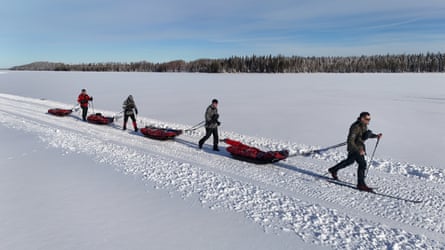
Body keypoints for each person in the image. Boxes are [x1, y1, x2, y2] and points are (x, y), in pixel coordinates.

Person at [328, 112, 382, 192]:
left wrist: (376, 136)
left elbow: (364, 135)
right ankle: (361, 184)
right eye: (367, 119)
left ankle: (333, 169)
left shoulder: (363, 126)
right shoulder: (355, 127)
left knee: (349, 161)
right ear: (362, 118)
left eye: (369, 119)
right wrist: (359, 150)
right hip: (354, 148)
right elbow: (350, 141)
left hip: (359, 147)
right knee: (362, 164)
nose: (369, 121)